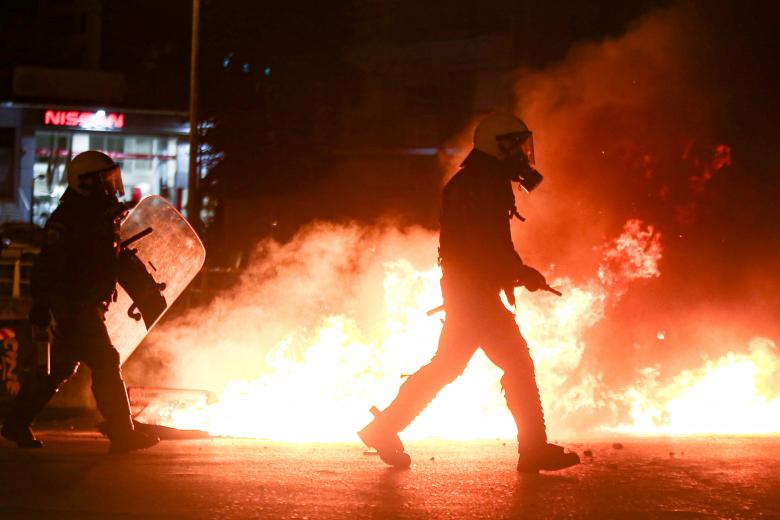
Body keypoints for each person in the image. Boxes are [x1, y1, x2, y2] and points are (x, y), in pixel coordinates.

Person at [359, 113, 580, 472]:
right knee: (517, 364)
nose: (523, 154)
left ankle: (382, 429)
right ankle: (534, 449)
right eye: (516, 145)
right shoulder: (481, 186)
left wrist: (517, 272)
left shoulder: (482, 181)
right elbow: (483, 247)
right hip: (474, 295)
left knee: (446, 367)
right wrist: (520, 273)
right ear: (499, 147)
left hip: (469, 292)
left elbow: (487, 246)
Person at [1, 151, 159, 454]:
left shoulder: (98, 216)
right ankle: (122, 432)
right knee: (106, 361)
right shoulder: (70, 219)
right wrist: (41, 305)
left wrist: (147, 292)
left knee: (61, 366)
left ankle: (16, 423)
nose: (113, 185)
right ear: (88, 183)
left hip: (86, 303)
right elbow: (49, 264)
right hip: (76, 304)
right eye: (106, 180)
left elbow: (113, 258)